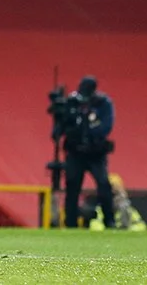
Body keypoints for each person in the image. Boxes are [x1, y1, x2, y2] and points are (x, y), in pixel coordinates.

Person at [53, 76, 115, 228]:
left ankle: (109, 220)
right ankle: (71, 222)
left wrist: (88, 129)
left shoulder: (102, 103)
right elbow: (62, 126)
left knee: (103, 184)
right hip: (75, 153)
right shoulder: (72, 103)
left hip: (96, 154)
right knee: (72, 186)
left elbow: (105, 127)